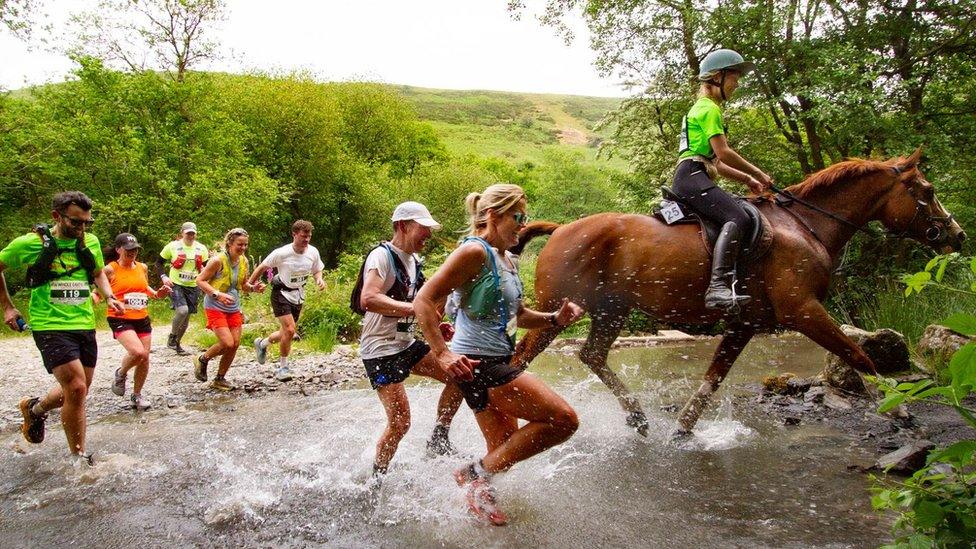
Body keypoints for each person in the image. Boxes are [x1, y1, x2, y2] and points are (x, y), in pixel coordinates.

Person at [414, 185, 585, 525]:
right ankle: (473, 476)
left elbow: (517, 313)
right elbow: (423, 300)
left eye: (526, 219)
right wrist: (442, 354)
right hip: (479, 364)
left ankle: (479, 494)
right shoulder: (474, 253)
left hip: (496, 361)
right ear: (493, 216)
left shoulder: (505, 258)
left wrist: (553, 319)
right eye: (517, 218)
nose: (523, 226)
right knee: (564, 420)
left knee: (504, 448)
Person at [0, 191, 125, 464]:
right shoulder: (28, 244)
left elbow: (97, 274)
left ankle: (36, 409)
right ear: (57, 216)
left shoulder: (89, 242)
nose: (82, 229)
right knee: (77, 388)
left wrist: (109, 296)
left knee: (79, 390)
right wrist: (8, 307)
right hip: (49, 324)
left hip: (83, 323)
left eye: (86, 223)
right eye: (75, 222)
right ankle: (78, 457)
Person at [355, 201, 465, 481]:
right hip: (380, 350)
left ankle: (438, 438)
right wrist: (417, 310)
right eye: (423, 228)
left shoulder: (414, 262)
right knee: (400, 423)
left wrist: (433, 324)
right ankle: (376, 480)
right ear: (402, 226)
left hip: (405, 344)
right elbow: (368, 298)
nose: (428, 234)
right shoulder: (382, 256)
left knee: (460, 376)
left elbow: (413, 305)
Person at [672, 48, 773, 311]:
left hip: (693, 174)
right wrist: (760, 174)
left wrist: (747, 179)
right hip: (693, 176)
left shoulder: (703, 108)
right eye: (734, 78)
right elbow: (723, 153)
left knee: (734, 212)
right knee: (737, 216)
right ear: (717, 77)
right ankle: (717, 287)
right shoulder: (709, 109)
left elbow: (716, 163)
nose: (737, 84)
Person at [247, 220, 325, 382]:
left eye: (309, 236)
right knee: (290, 330)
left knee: (285, 333)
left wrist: (319, 280)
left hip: (298, 294)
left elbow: (317, 269)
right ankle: (283, 367)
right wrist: (250, 284)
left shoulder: (313, 252)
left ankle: (262, 344)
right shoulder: (282, 253)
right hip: (281, 292)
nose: (307, 240)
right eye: (303, 236)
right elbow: (262, 267)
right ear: (294, 234)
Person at [102, 233, 171, 410]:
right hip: (120, 317)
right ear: (118, 250)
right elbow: (101, 289)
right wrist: (102, 298)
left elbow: (143, 287)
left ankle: (137, 395)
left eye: (135, 249)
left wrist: (157, 293)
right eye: (129, 249)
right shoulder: (110, 269)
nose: (133, 252)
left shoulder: (142, 267)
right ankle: (121, 373)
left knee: (145, 358)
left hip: (142, 316)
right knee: (137, 352)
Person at [193, 228, 263, 391]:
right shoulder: (217, 261)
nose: (243, 248)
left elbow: (243, 285)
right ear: (230, 243)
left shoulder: (243, 261)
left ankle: (220, 378)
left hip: (233, 307)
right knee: (227, 342)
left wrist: (254, 288)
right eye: (240, 244)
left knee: (235, 344)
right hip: (214, 306)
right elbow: (200, 280)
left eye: (245, 245)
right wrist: (217, 294)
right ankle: (203, 358)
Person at [157, 222, 209, 355]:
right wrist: (163, 277)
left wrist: (205, 276)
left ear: (196, 234)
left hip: (193, 285)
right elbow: (159, 263)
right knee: (182, 311)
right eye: (188, 233)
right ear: (182, 233)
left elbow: (206, 266)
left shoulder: (201, 249)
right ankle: (172, 336)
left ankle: (178, 344)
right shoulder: (173, 246)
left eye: (193, 234)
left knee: (186, 319)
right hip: (176, 283)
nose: (190, 236)